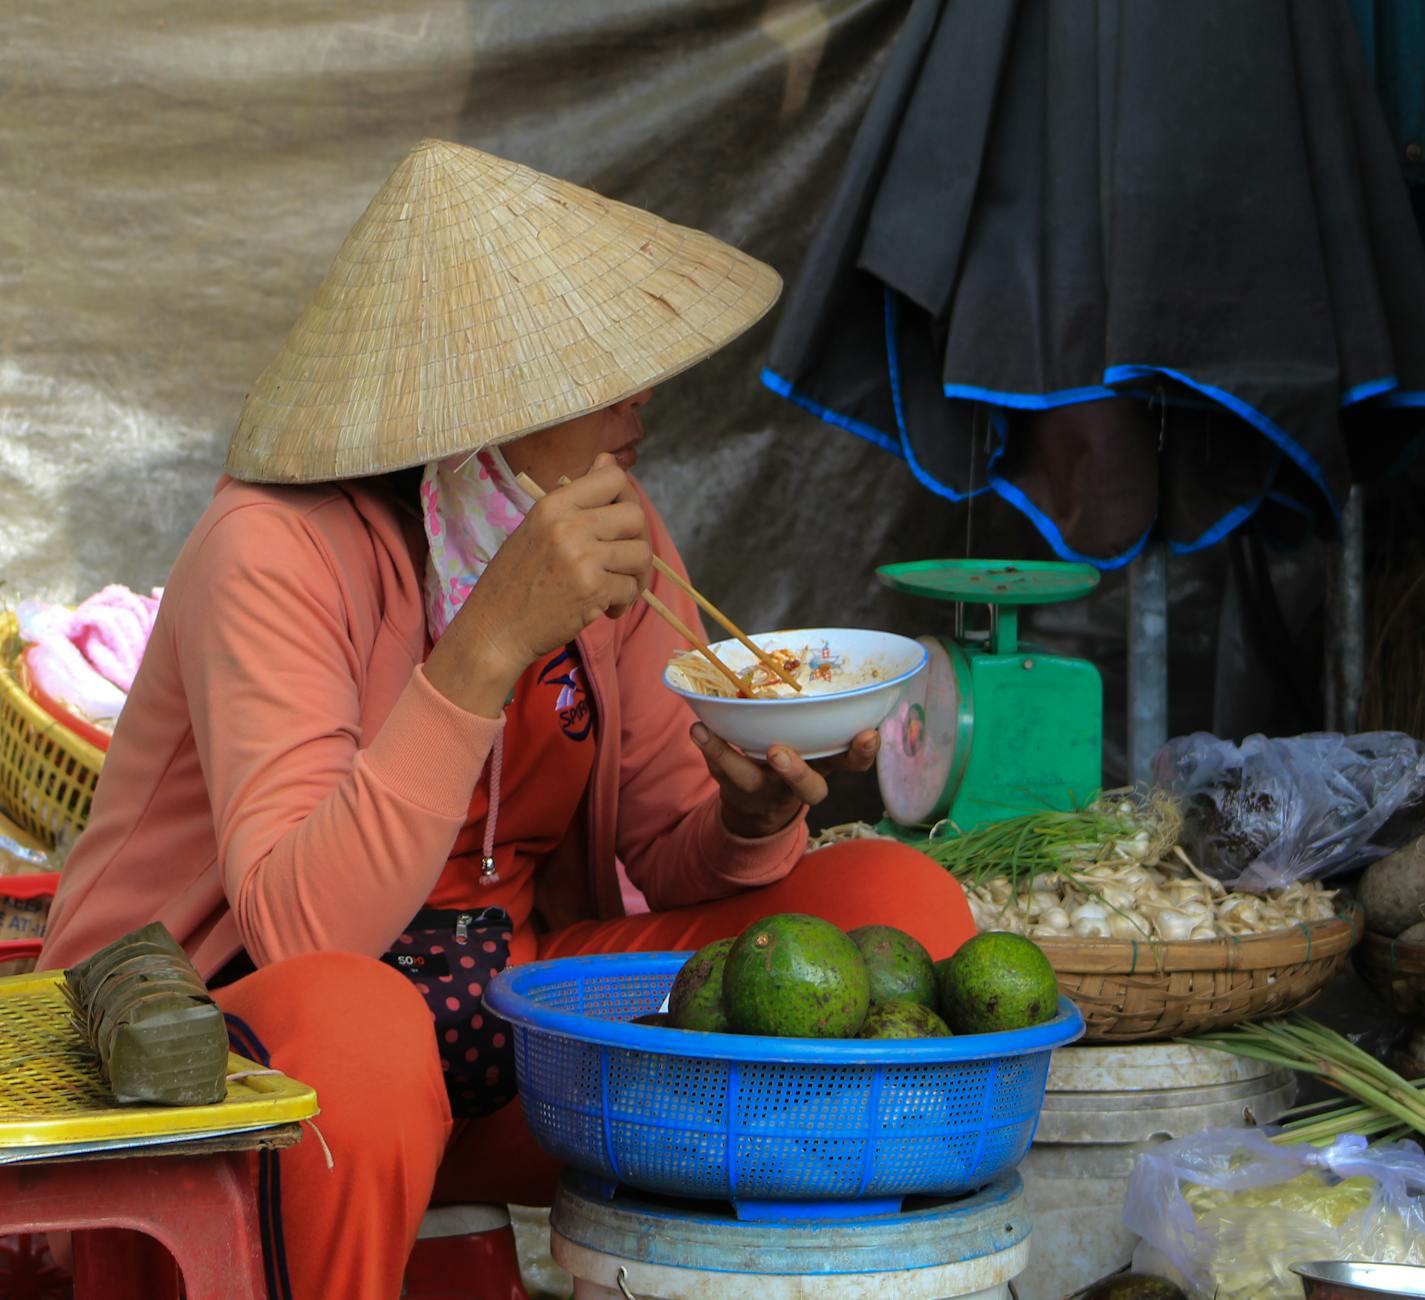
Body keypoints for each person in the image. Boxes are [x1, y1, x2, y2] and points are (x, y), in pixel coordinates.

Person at [39, 139, 974, 1300]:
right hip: (247, 1049)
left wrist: (747, 818)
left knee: (897, 907)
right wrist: (487, 644)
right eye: (593, 375)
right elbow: (301, 926)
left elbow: (666, 850)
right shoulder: (272, 548)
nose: (642, 399)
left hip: (509, 1028)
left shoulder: (610, 529)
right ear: (476, 407)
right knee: (365, 1027)